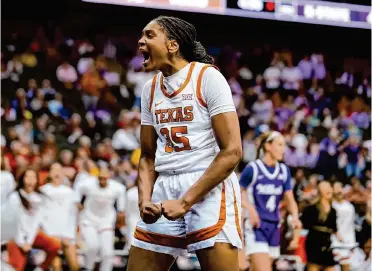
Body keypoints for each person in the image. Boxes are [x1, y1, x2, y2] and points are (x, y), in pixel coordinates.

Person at [127, 16, 243, 271]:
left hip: (208, 186)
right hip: (166, 186)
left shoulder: (208, 78)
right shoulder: (150, 89)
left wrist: (186, 201)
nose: (140, 41)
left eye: (149, 35)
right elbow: (147, 155)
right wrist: (144, 200)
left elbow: (232, 151)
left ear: (172, 45)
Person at [239, 131, 301, 271]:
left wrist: (295, 217)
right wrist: (250, 208)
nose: (283, 149)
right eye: (279, 145)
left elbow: (290, 199)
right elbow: (237, 192)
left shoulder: (284, 171)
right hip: (256, 226)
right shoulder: (253, 169)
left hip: (274, 226)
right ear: (268, 146)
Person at [6, 168, 61, 271]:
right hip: (15, 236)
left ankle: (40, 268)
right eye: (28, 177)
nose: (31, 180)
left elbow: (36, 222)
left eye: (33, 177)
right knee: (17, 267)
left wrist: (29, 242)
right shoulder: (14, 197)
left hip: (31, 235)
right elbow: (14, 223)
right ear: (23, 179)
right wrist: (21, 243)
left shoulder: (39, 198)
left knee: (55, 245)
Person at [75, 167, 126, 271]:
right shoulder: (88, 184)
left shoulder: (117, 187)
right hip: (88, 220)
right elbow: (78, 187)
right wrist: (77, 201)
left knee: (107, 253)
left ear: (109, 177)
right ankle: (87, 268)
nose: (102, 180)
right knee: (92, 247)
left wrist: (121, 209)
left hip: (106, 222)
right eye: (100, 178)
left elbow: (122, 194)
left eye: (104, 178)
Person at [40, 163, 79, 271]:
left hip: (67, 234)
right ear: (49, 173)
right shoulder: (42, 191)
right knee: (56, 266)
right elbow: (40, 215)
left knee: (75, 266)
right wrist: (49, 234)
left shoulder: (70, 192)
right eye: (54, 170)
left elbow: (72, 215)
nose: (56, 173)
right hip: (50, 233)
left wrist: (70, 235)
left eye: (59, 170)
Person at [301, 181, 340, 271]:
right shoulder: (312, 208)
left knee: (330, 267)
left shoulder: (333, 210)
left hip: (327, 243)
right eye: (326, 189)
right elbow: (304, 223)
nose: (329, 191)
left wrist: (338, 235)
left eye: (329, 188)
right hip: (314, 242)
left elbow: (334, 227)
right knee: (314, 266)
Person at [332, 182, 357, 271]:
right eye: (336, 188)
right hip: (333, 243)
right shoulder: (330, 206)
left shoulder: (350, 206)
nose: (339, 190)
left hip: (348, 243)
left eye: (340, 187)